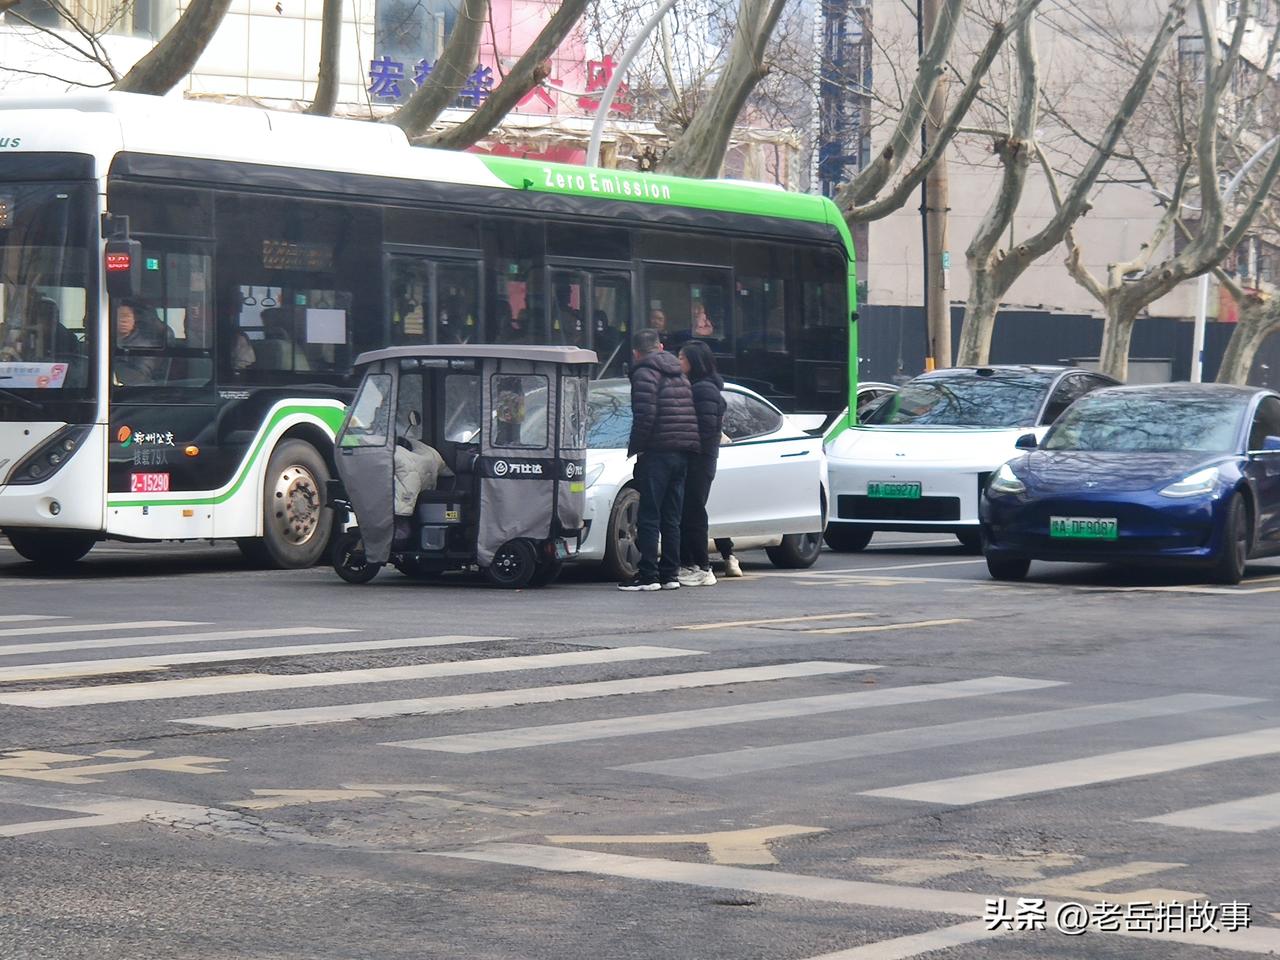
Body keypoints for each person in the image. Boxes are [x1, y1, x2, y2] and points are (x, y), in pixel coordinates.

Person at [619, 328, 701, 591]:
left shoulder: (644, 373)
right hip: (683, 452)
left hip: (658, 451)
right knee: (671, 516)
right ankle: (670, 574)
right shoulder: (679, 374)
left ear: (636, 352)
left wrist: (637, 448)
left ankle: (648, 574)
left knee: (649, 514)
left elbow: (644, 415)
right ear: (661, 347)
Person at [675, 341, 741, 585]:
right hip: (697, 458)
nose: (678, 362)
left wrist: (687, 451)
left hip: (699, 460)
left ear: (694, 362)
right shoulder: (700, 387)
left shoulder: (703, 390)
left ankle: (701, 566)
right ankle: (691, 563)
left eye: (681, 358)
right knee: (688, 511)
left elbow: (704, 430)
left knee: (693, 511)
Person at [114, 299, 170, 384]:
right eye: (120, 316)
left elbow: (141, 376)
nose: (124, 320)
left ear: (134, 320)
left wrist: (110, 370)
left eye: (127, 316)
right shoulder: (103, 341)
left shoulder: (145, 346)